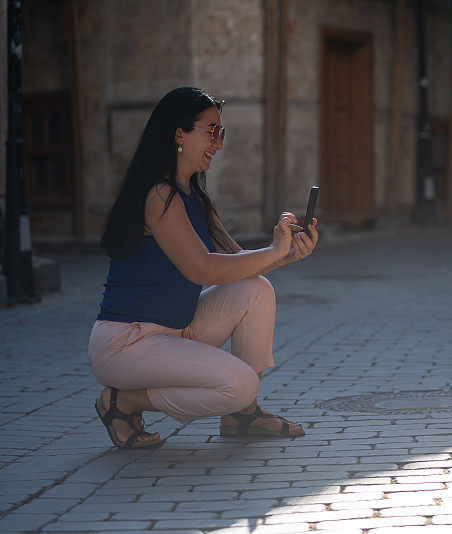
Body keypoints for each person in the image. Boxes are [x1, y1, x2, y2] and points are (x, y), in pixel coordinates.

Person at [88, 87, 318, 449]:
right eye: (212, 131)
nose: (219, 143)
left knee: (255, 289)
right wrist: (275, 249)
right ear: (179, 134)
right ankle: (123, 401)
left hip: (174, 333)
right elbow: (202, 269)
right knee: (238, 384)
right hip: (126, 344)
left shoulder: (195, 198)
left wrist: (287, 252)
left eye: (221, 132)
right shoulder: (158, 194)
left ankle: (243, 416)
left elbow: (238, 266)